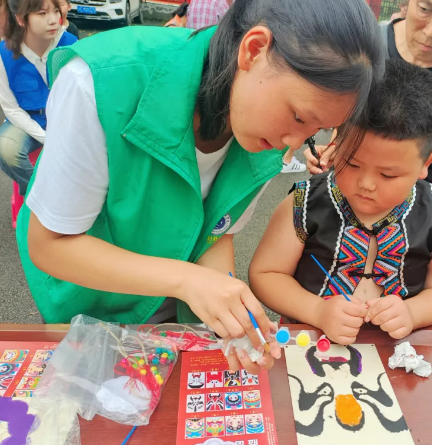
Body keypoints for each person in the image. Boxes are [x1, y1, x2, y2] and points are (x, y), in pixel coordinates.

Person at [17, 0, 385, 374]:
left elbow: (217, 233)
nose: (291, 143)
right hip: (87, 304)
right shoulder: (101, 82)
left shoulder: (266, 132)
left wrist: (228, 307)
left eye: (315, 130)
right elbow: (51, 245)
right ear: (254, 49)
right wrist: (189, 280)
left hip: (173, 306)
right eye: (298, 116)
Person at [249, 60, 432, 345]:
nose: (366, 184)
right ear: (335, 144)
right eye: (351, 164)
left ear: (426, 164)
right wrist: (316, 310)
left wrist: (412, 312)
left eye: (388, 174)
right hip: (312, 343)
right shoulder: (305, 202)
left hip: (396, 351)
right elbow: (266, 273)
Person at [306, 0, 432, 223]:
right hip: (342, 194)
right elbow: (344, 114)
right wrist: (334, 147)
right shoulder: (368, 43)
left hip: (409, 215)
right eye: (425, 9)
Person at [0, 0, 77, 196]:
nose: (53, 20)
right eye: (42, 14)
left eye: (56, 11)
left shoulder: (71, 45)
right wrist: (47, 138)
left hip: (66, 118)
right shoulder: (4, 53)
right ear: (21, 19)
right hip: (27, 119)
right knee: (6, 148)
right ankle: (40, 195)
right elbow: (11, 108)